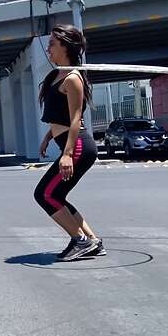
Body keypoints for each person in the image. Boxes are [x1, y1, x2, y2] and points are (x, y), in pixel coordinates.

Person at [33, 25, 105, 262]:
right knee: (57, 195)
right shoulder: (56, 75)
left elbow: (75, 119)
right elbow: (60, 117)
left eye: (52, 44)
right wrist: (48, 137)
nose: (48, 49)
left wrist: (67, 154)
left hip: (78, 147)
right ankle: (93, 241)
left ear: (66, 46)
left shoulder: (73, 78)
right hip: (70, 143)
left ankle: (80, 241)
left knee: (44, 194)